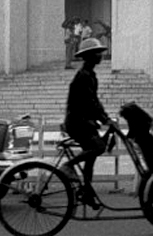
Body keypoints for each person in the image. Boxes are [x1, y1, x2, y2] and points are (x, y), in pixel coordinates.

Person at [63, 37, 111, 209]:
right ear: (89, 56)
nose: (100, 55)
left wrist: (104, 118)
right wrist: (104, 119)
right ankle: (68, 166)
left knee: (90, 157)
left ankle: (87, 191)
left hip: (84, 121)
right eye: (97, 53)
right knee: (98, 147)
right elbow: (90, 102)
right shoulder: (84, 76)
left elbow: (94, 102)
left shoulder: (90, 75)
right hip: (77, 122)